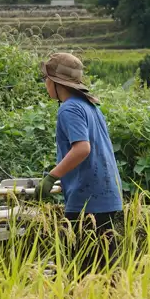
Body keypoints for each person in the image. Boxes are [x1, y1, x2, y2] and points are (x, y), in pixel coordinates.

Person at [36, 52, 125, 271]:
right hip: (108, 198)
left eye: (46, 79)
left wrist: (51, 177)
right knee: (105, 274)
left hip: (88, 203)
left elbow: (82, 148)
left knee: (81, 274)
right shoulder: (89, 106)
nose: (45, 83)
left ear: (56, 82)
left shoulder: (69, 108)